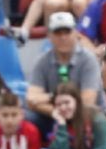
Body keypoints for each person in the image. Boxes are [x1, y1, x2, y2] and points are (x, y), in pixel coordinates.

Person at [26, 11, 102, 139]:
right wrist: (55, 111)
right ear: (49, 36)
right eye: (57, 33)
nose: (63, 37)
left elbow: (87, 101)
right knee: (28, 117)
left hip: (84, 115)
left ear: (76, 33)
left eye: (67, 32)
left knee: (92, 116)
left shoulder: (89, 60)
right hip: (54, 115)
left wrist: (51, 99)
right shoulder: (42, 61)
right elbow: (31, 99)